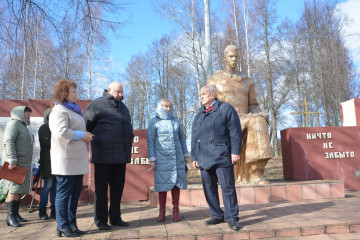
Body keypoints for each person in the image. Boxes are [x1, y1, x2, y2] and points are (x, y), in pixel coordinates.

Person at [207, 45, 272, 184]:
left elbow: (253, 105)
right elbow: (209, 105)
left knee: (259, 121)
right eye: (230, 56)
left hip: (244, 118)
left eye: (236, 56)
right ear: (224, 58)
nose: (234, 59)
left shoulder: (247, 80)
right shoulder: (214, 80)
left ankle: (254, 172)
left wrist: (260, 113)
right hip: (223, 120)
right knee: (254, 122)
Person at [84, 81, 133, 230]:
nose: (120, 95)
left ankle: (116, 218)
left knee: (117, 189)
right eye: (117, 92)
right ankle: (101, 220)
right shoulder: (96, 104)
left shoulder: (124, 108)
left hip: (120, 156)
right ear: (109, 90)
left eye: (122, 92)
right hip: (103, 156)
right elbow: (86, 124)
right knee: (101, 190)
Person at [191, 85, 242, 231]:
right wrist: (194, 156)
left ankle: (232, 218)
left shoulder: (226, 109)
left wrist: (235, 151)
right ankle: (217, 215)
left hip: (222, 155)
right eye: (200, 94)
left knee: (227, 188)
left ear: (212, 95)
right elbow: (194, 137)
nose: (201, 96)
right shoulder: (199, 115)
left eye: (204, 94)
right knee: (209, 188)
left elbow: (235, 132)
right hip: (204, 157)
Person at [49, 80, 93, 237]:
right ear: (64, 93)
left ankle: (72, 223)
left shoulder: (74, 110)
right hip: (66, 160)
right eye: (73, 91)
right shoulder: (59, 110)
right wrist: (82, 135)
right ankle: (62, 224)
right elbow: (61, 131)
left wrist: (85, 135)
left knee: (75, 193)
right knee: (64, 193)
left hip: (77, 159)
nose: (76, 93)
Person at [147, 99, 189, 222]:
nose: (168, 109)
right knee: (162, 185)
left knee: (176, 184)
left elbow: (182, 138)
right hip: (162, 158)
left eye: (170, 106)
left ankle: (176, 210)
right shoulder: (154, 121)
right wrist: (152, 158)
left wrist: (186, 154)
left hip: (177, 157)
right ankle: (162, 211)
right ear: (160, 106)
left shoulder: (175, 120)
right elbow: (150, 141)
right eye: (166, 106)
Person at [2, 106, 34, 227]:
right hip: (15, 163)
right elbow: (8, 141)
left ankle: (15, 214)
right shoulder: (13, 124)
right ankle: (10, 216)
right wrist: (12, 159)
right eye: (26, 114)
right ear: (19, 114)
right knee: (14, 188)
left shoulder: (24, 127)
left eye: (29, 114)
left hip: (23, 163)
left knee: (19, 189)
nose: (28, 116)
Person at [38, 108, 56, 220]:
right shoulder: (44, 127)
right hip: (48, 162)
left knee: (56, 187)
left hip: (56, 161)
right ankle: (42, 210)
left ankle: (54, 209)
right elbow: (45, 143)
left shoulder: (56, 127)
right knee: (48, 186)